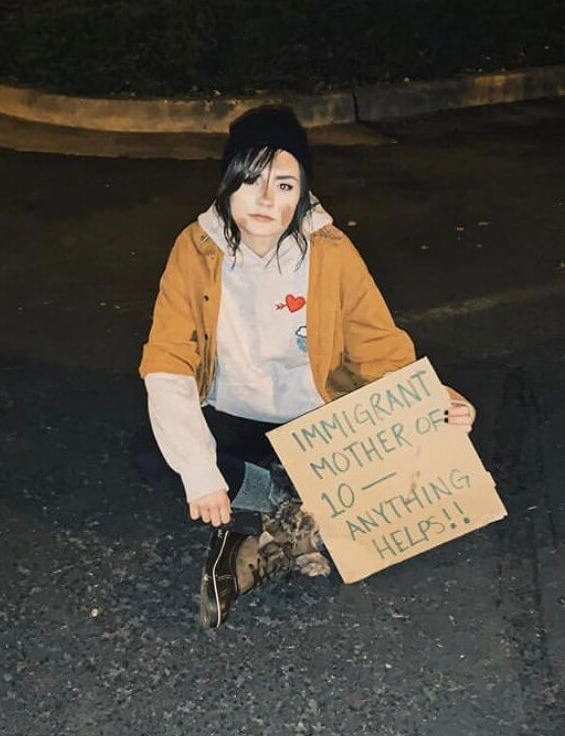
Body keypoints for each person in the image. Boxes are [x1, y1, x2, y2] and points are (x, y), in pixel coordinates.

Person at [134, 106, 475, 629]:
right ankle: (297, 506)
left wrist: (437, 401)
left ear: (302, 193)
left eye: (285, 185)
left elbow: (378, 348)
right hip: (234, 419)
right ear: (228, 181)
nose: (267, 200)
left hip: (319, 423)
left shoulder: (331, 252)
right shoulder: (195, 249)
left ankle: (273, 521)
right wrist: (199, 471)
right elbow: (168, 360)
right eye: (252, 180)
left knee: (432, 443)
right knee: (156, 453)